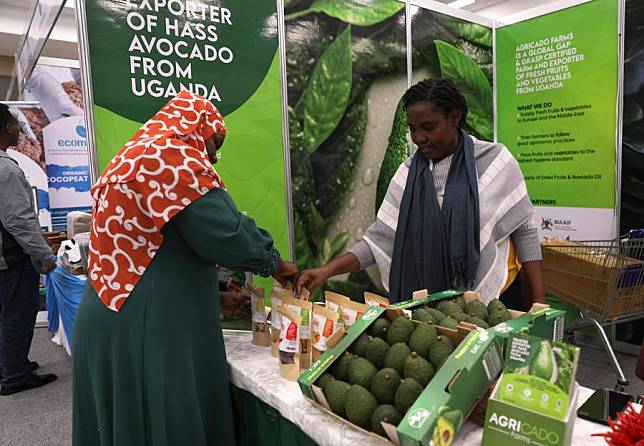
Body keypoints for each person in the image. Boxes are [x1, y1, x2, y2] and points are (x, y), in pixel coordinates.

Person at [72, 91, 298, 445]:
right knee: (163, 418)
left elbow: (157, 247)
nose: (212, 156)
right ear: (194, 127)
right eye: (214, 143)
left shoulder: (134, 154)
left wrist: (213, 296)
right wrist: (277, 264)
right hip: (146, 323)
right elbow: (225, 233)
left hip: (109, 310)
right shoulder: (170, 156)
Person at [297, 78, 545, 306]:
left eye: (428, 127)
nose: (419, 138)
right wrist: (327, 270)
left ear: (455, 117)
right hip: (427, 312)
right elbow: (377, 242)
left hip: (491, 305)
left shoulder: (495, 163)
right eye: (413, 129)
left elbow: (523, 229)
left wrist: (539, 300)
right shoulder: (406, 175)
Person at [0, 103, 57, 395]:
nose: (19, 130)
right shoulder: (6, 169)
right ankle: (15, 376)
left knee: (6, 312)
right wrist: (44, 256)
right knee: (18, 314)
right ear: (8, 128)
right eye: (15, 125)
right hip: (10, 258)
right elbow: (18, 220)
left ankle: (10, 365)